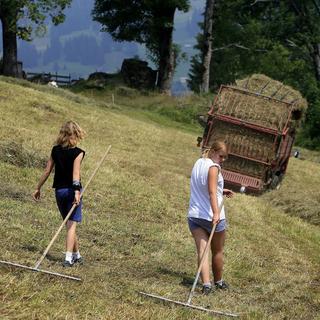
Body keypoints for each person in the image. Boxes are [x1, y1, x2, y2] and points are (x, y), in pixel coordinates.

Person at [32, 120, 86, 267]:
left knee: (69, 224)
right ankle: (68, 258)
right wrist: (76, 191)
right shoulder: (78, 153)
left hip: (59, 192)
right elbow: (76, 175)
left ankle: (77, 255)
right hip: (71, 191)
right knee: (71, 225)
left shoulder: (55, 150)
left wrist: (38, 187)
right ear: (75, 135)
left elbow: (47, 171)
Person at [188, 141, 234, 294]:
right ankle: (219, 282)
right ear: (213, 151)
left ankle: (206, 285)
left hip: (195, 215)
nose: (222, 160)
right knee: (217, 251)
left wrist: (222, 190)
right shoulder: (214, 167)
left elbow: (207, 186)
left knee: (203, 251)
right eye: (221, 156)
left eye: (224, 157)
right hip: (212, 216)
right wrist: (215, 213)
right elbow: (211, 192)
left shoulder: (198, 162)